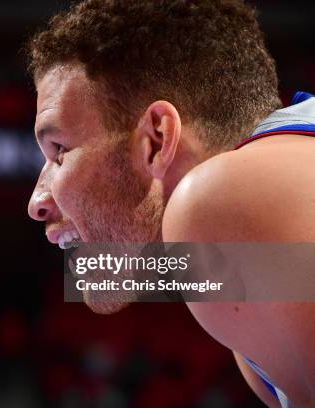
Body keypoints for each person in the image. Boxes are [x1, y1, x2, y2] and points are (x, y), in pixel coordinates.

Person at [25, 0, 315, 406]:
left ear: (157, 139)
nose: (37, 203)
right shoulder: (247, 274)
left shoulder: (217, 203)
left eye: (58, 151)